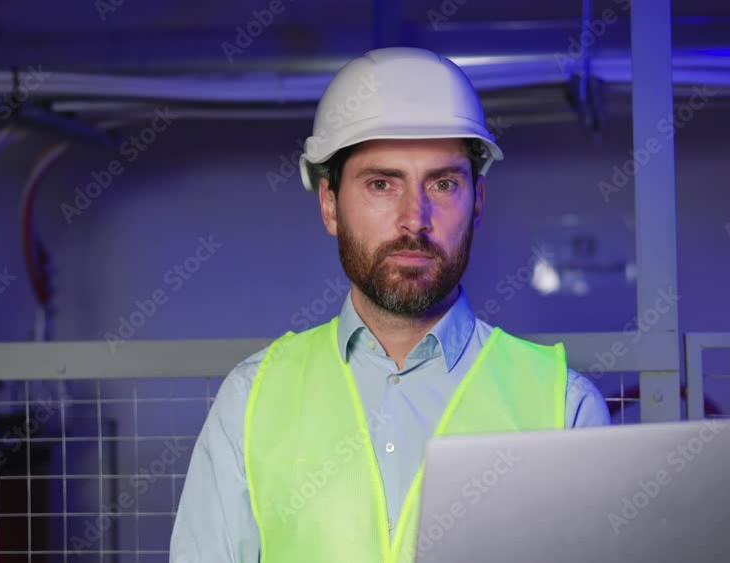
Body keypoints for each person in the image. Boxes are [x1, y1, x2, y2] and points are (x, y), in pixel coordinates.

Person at [169, 46, 610, 563]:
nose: (414, 218)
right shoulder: (250, 401)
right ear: (330, 204)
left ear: (477, 202)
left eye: (443, 183)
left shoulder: (564, 407)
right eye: (381, 184)